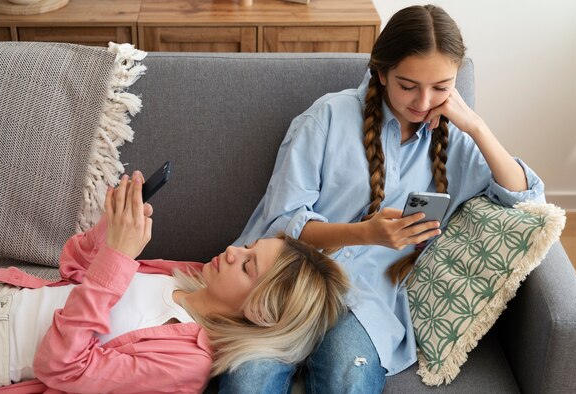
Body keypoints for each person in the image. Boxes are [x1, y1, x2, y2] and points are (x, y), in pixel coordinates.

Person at [219, 4, 545, 393]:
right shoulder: (326, 118)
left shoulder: (454, 139)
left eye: (441, 87)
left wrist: (475, 125)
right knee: (247, 383)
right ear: (380, 70)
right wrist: (365, 234)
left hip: (363, 300)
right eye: (408, 85)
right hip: (284, 284)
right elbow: (282, 223)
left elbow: (525, 196)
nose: (423, 102)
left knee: (350, 380)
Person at [0, 171, 350, 393]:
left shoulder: (186, 364)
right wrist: (108, 231)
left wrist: (118, 258)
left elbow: (61, 367)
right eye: (248, 248)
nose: (233, 252)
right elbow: (72, 271)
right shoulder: (190, 276)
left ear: (261, 312)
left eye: (247, 266)